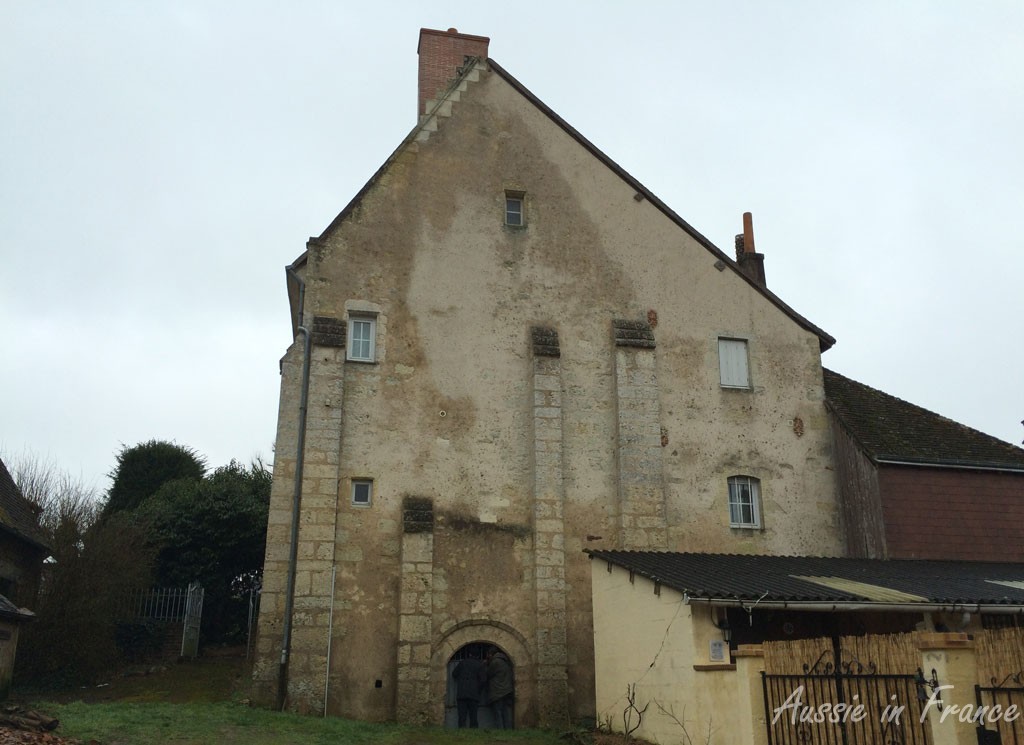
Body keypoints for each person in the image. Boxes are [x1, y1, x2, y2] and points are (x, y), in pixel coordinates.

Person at [452, 649, 485, 728]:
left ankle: (462, 732)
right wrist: (478, 690)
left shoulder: (462, 663)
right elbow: (483, 680)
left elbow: (454, 674)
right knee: (473, 716)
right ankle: (473, 733)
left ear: (469, 654)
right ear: (478, 656)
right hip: (474, 694)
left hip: (462, 693)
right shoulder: (480, 665)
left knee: (462, 716)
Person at [485, 646, 514, 729]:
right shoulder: (505, 661)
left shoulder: (495, 662)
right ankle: (508, 729)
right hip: (506, 690)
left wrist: (486, 664)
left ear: (490, 654)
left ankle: (500, 730)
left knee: (498, 712)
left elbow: (488, 673)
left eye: (488, 655)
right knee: (505, 711)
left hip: (498, 691)